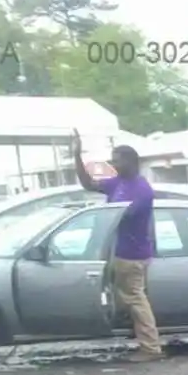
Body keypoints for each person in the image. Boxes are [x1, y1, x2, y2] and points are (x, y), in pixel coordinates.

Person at [71, 133, 161, 361]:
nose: (113, 164)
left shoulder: (141, 190)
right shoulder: (117, 183)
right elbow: (88, 184)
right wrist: (76, 155)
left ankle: (150, 348)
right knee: (125, 299)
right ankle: (137, 336)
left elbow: (122, 216)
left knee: (135, 299)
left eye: (117, 160)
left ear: (131, 162)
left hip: (133, 254)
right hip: (118, 252)